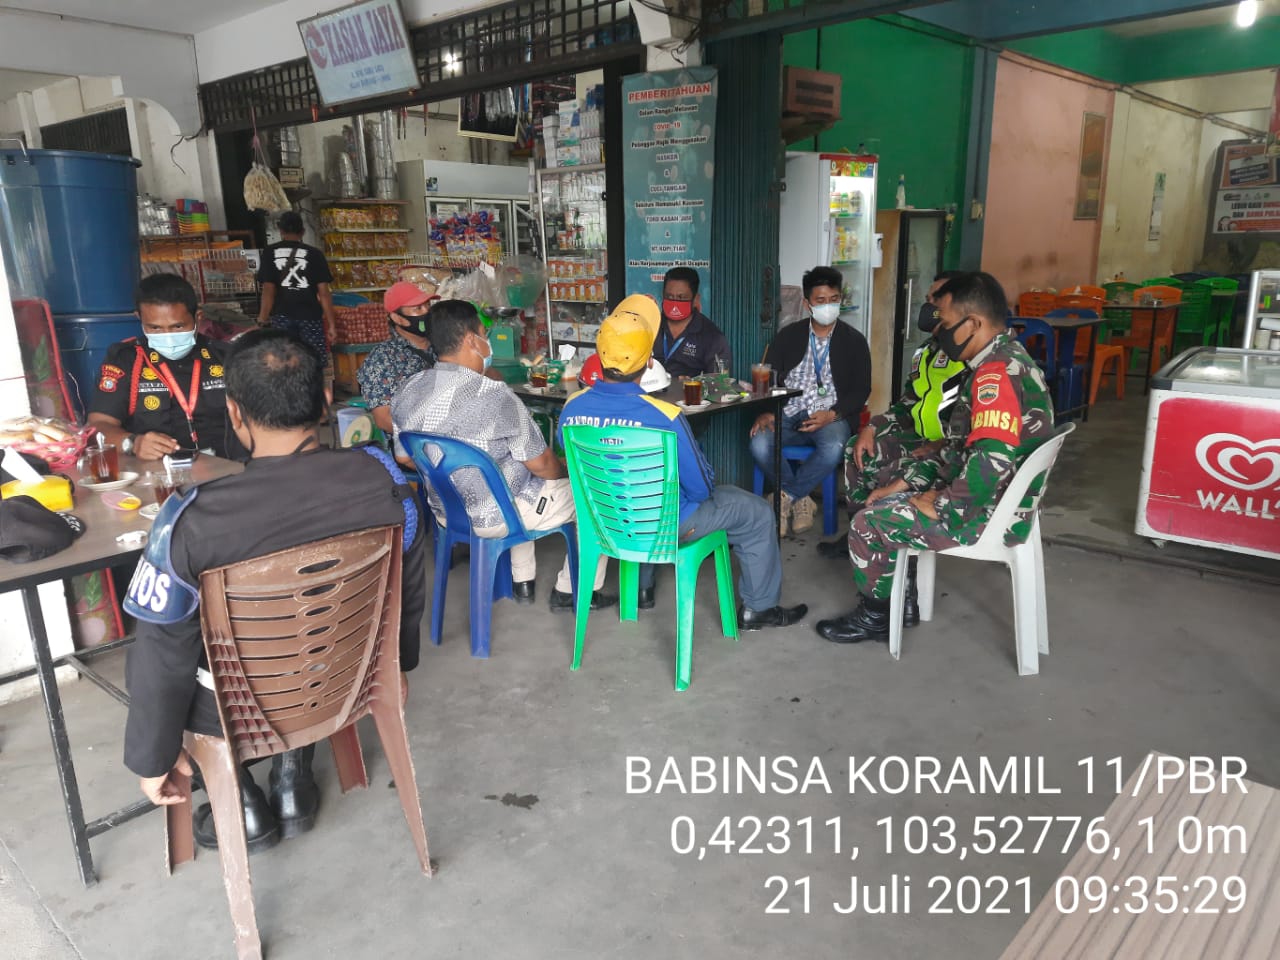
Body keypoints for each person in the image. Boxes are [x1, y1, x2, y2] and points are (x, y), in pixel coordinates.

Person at [122, 329, 427, 852]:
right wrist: (397, 666)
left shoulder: (193, 519)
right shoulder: (386, 482)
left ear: (234, 413)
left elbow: (160, 653)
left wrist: (151, 758)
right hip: (349, 677)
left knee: (162, 646)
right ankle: (292, 781)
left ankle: (243, 803)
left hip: (233, 709)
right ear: (326, 399)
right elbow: (409, 590)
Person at [816, 272, 1054, 644]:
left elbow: (991, 459)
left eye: (945, 321)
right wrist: (905, 484)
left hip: (987, 512)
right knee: (885, 491)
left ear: (972, 324)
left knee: (868, 524)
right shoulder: (1006, 359)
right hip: (997, 499)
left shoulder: (995, 376)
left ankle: (876, 617)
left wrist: (943, 505)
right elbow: (963, 450)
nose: (939, 329)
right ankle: (902, 596)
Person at [559, 296, 808, 630]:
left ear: (599, 355)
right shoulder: (665, 416)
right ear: (649, 361)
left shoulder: (572, 408)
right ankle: (759, 609)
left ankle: (643, 589)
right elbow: (702, 488)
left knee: (646, 497)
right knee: (758, 512)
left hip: (605, 521)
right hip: (666, 526)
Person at [392, 299, 614, 612]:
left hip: (447, 513)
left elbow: (404, 458)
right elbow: (543, 466)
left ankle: (523, 581)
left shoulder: (408, 389)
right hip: (495, 518)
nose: (487, 342)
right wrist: (572, 471)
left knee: (510, 473)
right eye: (484, 334)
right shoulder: (495, 395)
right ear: (471, 340)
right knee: (596, 496)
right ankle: (573, 590)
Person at [816, 270, 967, 559]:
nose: (928, 306)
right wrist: (872, 428)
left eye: (936, 299)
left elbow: (973, 428)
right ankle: (860, 531)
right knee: (857, 448)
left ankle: (890, 538)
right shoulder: (924, 352)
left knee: (893, 469)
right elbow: (907, 404)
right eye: (927, 299)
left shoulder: (968, 356)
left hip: (948, 448)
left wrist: (941, 444)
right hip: (920, 438)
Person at [749, 266, 871, 537]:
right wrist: (767, 411)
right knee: (759, 444)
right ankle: (801, 498)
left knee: (834, 447)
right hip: (788, 411)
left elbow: (861, 389)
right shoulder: (788, 336)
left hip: (830, 416)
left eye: (834, 299)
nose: (828, 306)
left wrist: (834, 413)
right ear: (807, 304)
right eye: (820, 300)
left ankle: (783, 498)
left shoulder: (855, 341)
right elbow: (768, 377)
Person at [88, 273, 242, 460]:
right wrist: (132, 443)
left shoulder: (226, 357)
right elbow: (98, 425)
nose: (167, 336)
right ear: (139, 318)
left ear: (198, 317)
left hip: (228, 466)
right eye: (155, 328)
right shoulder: (126, 359)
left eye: (178, 327)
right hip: (156, 471)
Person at [256, 211, 338, 386]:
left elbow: (268, 290)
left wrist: (262, 319)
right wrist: (331, 325)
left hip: (282, 317)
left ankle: (290, 395)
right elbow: (324, 293)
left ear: (280, 230)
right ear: (303, 232)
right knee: (313, 362)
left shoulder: (270, 253)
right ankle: (315, 395)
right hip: (311, 317)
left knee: (283, 362)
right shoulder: (315, 254)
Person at [357, 281, 439, 443]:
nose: (427, 312)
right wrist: (431, 439)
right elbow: (384, 419)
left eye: (428, 306)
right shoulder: (383, 358)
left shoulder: (444, 344)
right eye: (418, 308)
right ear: (397, 318)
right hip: (415, 445)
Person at [655, 267, 732, 378]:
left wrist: (695, 383)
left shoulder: (712, 337)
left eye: (681, 297)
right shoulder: (649, 326)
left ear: (696, 299)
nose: (675, 303)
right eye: (669, 296)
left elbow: (719, 382)